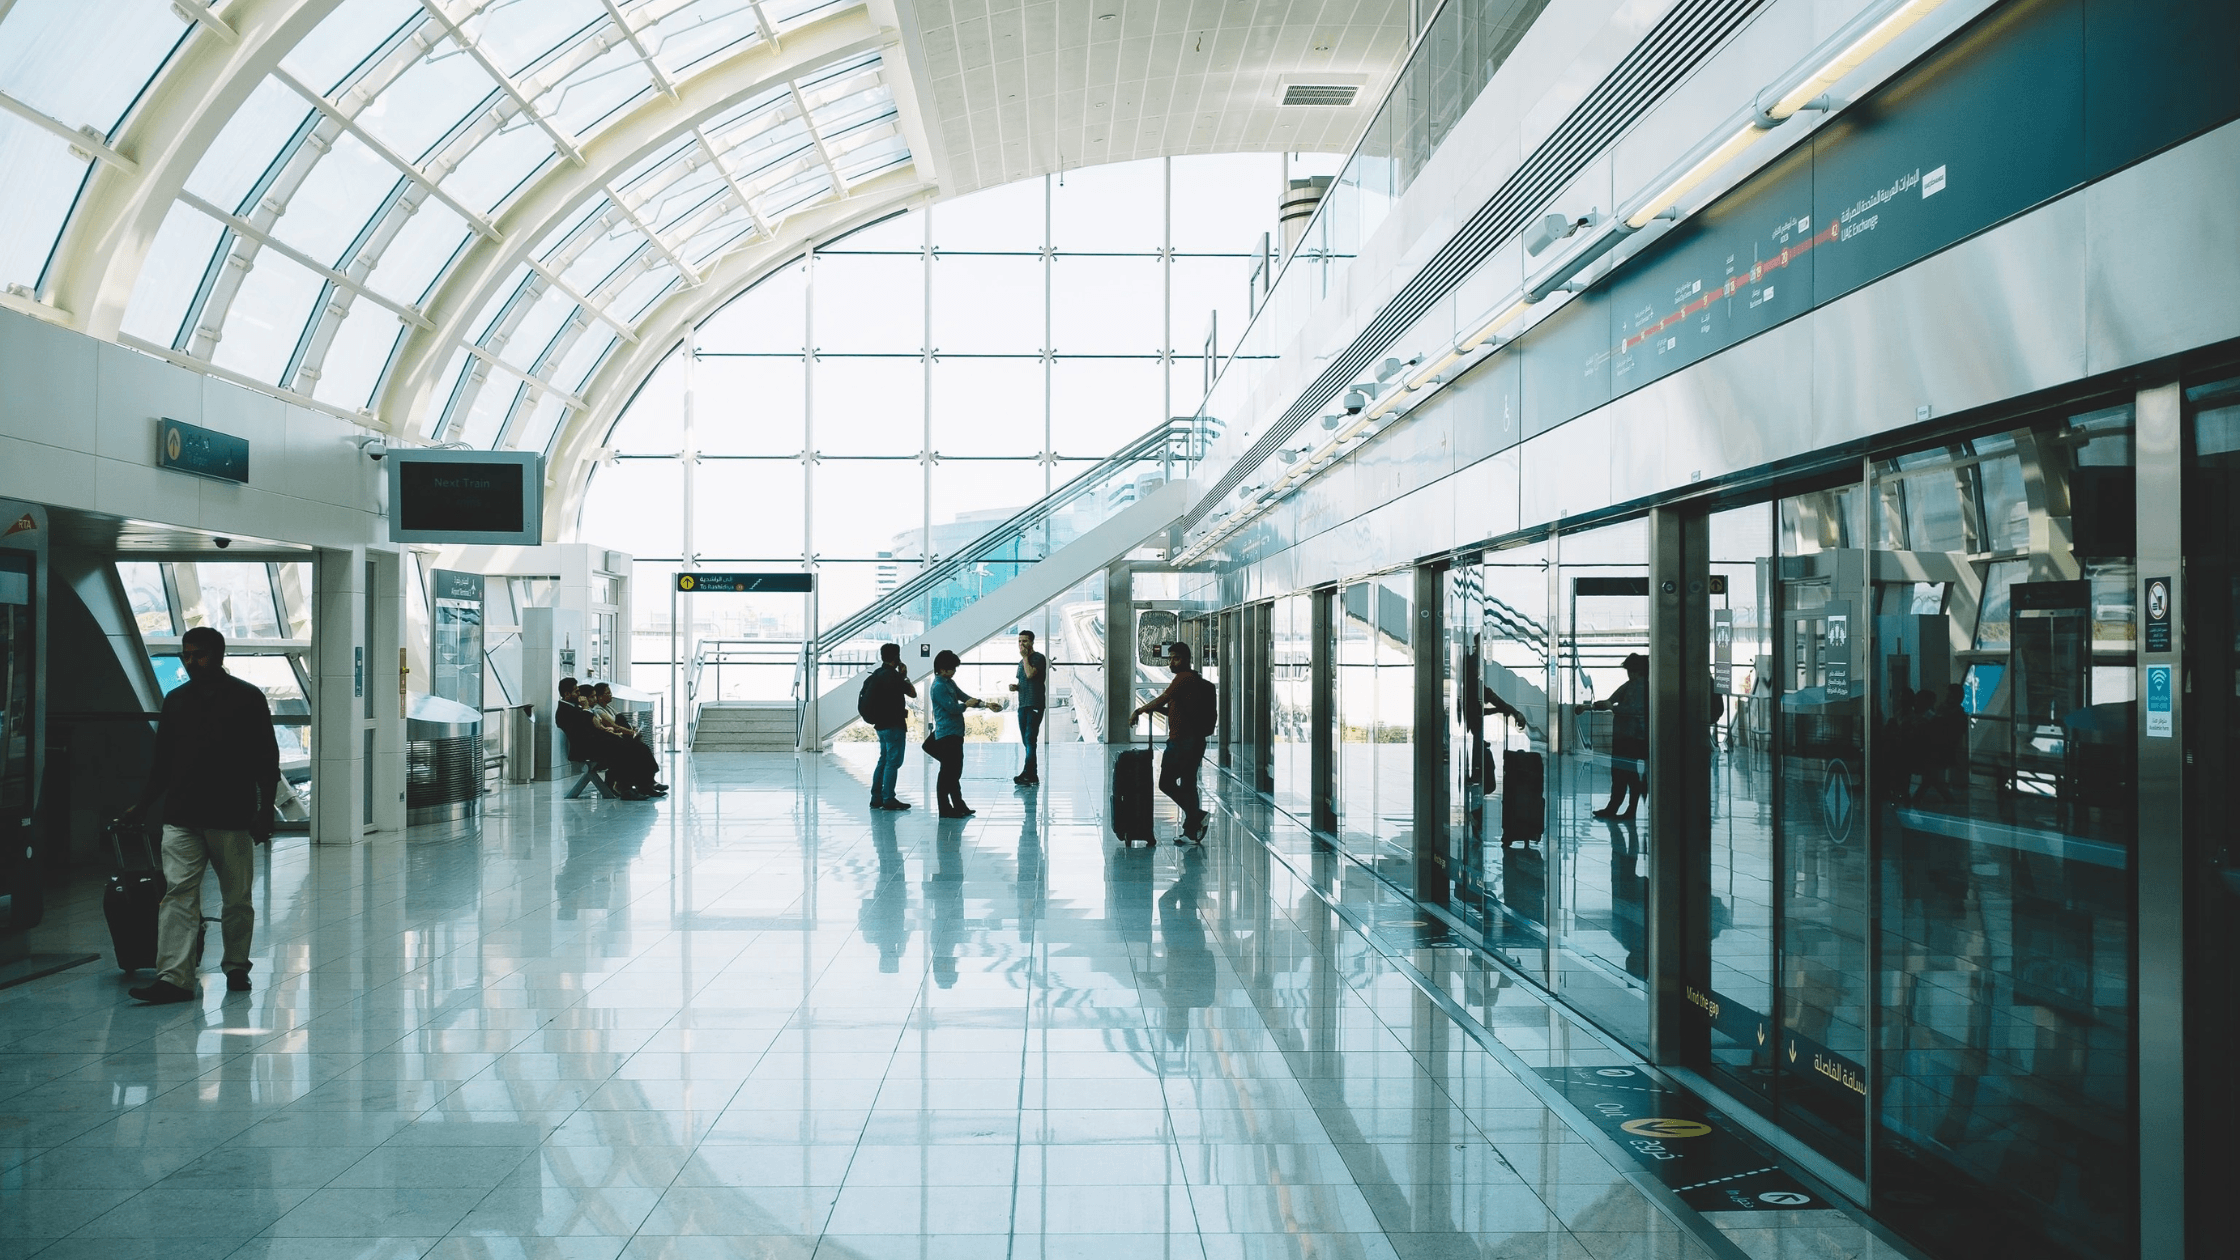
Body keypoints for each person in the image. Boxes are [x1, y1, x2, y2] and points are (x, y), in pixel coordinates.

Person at [123, 626, 279, 1003]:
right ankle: (174, 977)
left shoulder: (247, 698)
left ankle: (236, 966)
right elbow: (162, 764)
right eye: (186, 655)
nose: (191, 662)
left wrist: (265, 812)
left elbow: (266, 759)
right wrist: (142, 806)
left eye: (199, 654)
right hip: (182, 816)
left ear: (219, 655)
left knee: (236, 898)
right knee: (177, 895)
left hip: (232, 816)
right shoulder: (176, 701)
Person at [1132, 642, 1214, 842]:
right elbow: (1174, 711)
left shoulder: (1183, 678)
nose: (1171, 662)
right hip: (1194, 741)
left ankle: (1196, 816)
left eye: (1176, 658)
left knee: (1166, 783)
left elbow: (1163, 698)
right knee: (1188, 784)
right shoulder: (1192, 680)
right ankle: (1191, 831)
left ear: (1186, 659)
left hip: (1182, 742)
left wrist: (1139, 710)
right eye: (1170, 658)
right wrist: (1155, 709)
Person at [555, 677, 665, 798]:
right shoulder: (564, 711)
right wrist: (586, 709)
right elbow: (582, 730)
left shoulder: (575, 707)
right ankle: (625, 787)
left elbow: (590, 725)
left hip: (596, 743)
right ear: (567, 694)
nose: (579, 694)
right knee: (626, 749)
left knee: (640, 747)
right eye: (576, 691)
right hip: (585, 748)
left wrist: (602, 727)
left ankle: (646, 784)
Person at [927, 650, 996, 818]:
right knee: (948, 772)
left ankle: (958, 804)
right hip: (946, 734)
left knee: (954, 771)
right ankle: (945, 807)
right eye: (952, 668)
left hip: (955, 733)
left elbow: (964, 697)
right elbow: (953, 708)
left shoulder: (949, 683)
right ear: (942, 669)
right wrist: (966, 705)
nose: (954, 671)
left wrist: (985, 704)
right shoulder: (938, 686)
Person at [1582, 652, 1647, 820]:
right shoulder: (1634, 685)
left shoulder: (1638, 686)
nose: (1629, 674)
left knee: (1623, 774)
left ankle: (1619, 808)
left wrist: (1612, 708)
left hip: (1629, 736)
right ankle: (1623, 808)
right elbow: (1610, 702)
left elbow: (1631, 709)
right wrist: (1593, 707)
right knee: (1626, 774)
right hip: (1628, 736)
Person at [861, 643, 916, 810]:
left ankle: (876, 797)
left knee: (883, 760)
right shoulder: (894, 676)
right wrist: (904, 676)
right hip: (894, 725)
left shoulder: (877, 674)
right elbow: (912, 693)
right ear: (896, 657)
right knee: (893, 762)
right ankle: (889, 798)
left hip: (880, 725)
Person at [1007, 630, 1049, 786]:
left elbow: (1031, 674)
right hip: (1023, 704)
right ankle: (1032, 773)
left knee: (1030, 738)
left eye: (1025, 641)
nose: (1021, 644)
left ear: (1032, 642)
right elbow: (1025, 680)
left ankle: (1028, 773)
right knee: (1026, 740)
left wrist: (1025, 657)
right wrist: (1016, 687)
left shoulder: (1038, 658)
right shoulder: (1021, 662)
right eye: (1019, 641)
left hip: (1034, 704)